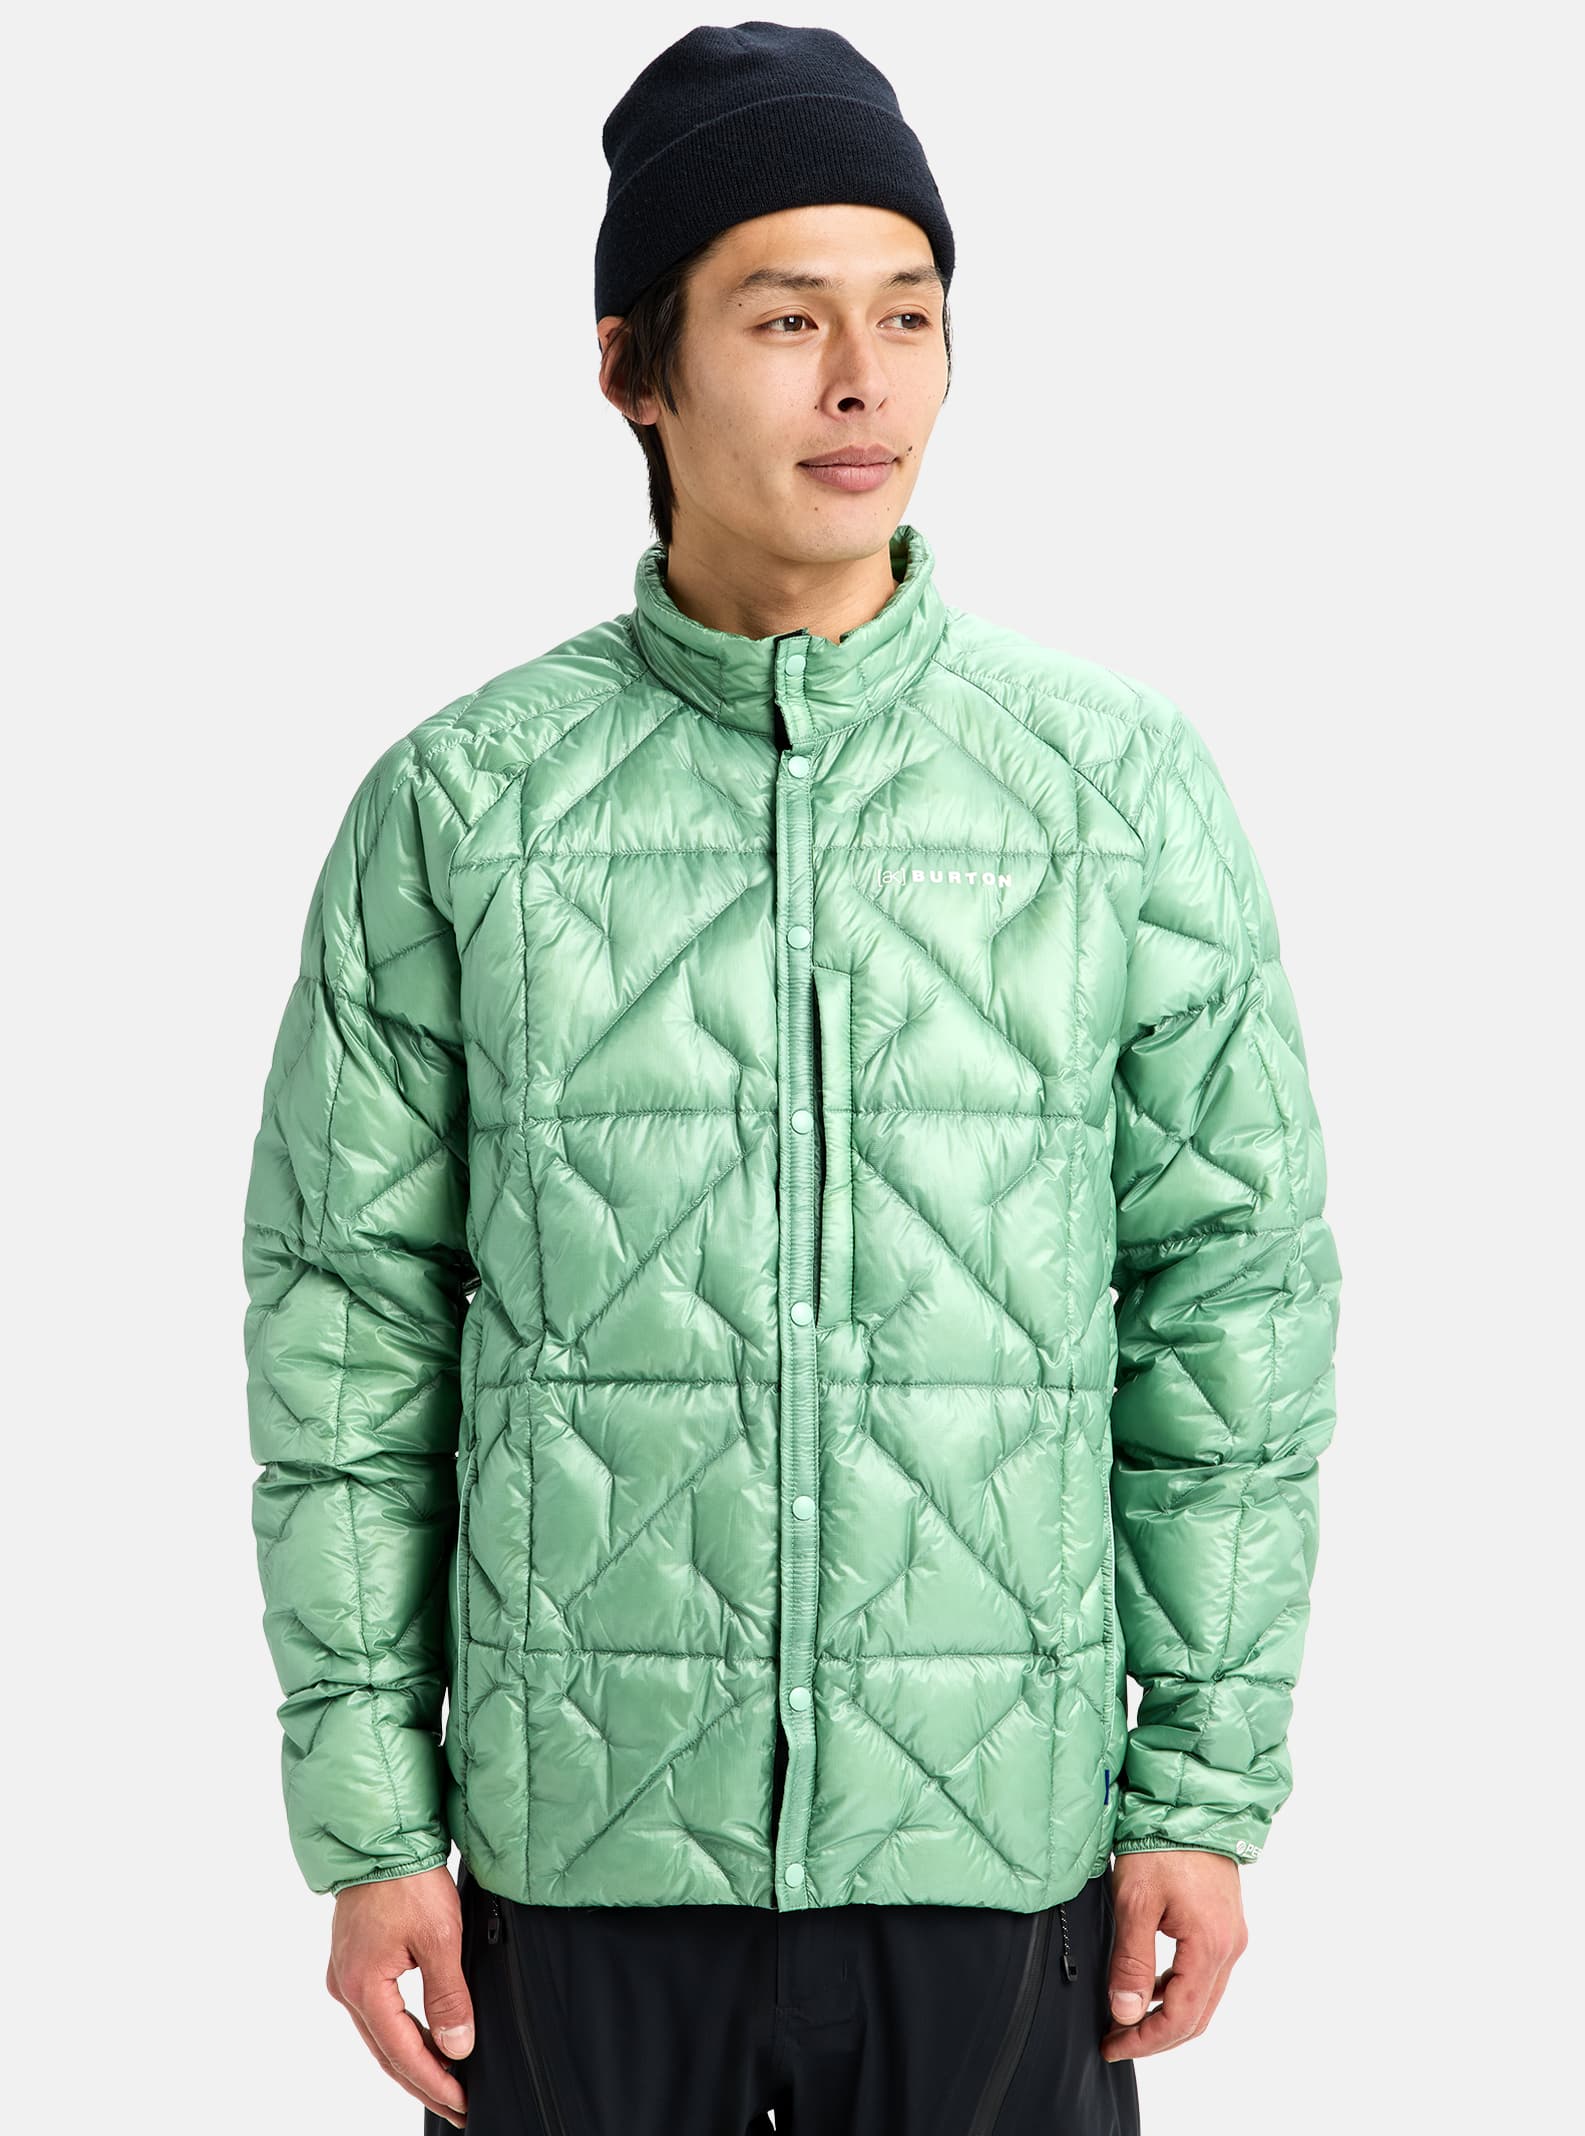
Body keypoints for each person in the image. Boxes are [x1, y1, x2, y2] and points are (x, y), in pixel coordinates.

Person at [241, 22, 1342, 2134]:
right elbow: (346, 1341)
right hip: (576, 1883)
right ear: (628, 369)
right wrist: (371, 1825)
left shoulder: (1112, 785)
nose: (864, 382)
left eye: (908, 316)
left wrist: (1199, 1793)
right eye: (784, 317)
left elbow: (1234, 1306)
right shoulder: (463, 809)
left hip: (1002, 1869)